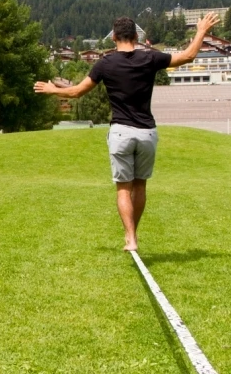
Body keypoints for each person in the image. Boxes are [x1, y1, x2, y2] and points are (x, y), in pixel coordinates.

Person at [34, 13, 219, 251]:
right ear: (135, 36)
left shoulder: (105, 63)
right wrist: (201, 30)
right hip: (147, 133)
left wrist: (52, 89)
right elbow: (188, 55)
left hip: (120, 132)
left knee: (123, 188)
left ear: (113, 37)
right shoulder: (150, 58)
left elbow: (77, 92)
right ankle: (133, 234)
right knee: (140, 186)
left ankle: (130, 237)